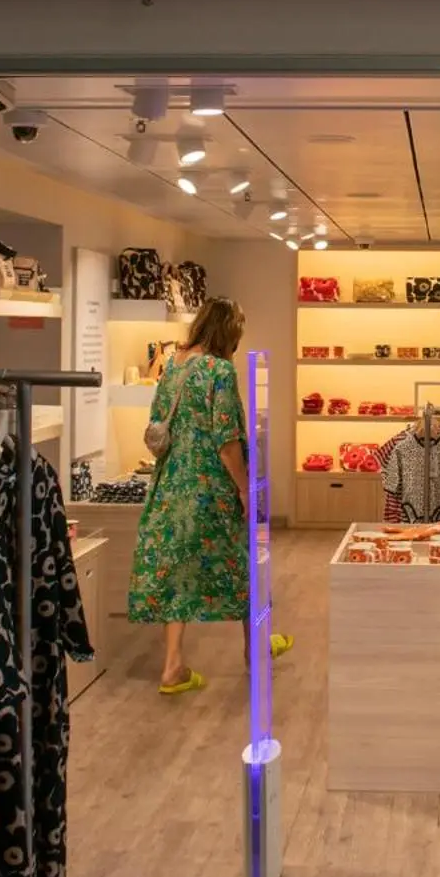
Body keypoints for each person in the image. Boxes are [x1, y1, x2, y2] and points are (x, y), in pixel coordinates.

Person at [128, 296, 292, 693]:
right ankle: (256, 649)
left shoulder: (174, 366)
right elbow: (226, 441)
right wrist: (244, 488)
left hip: (171, 484)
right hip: (210, 486)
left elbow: (157, 423)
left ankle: (172, 667)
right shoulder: (219, 371)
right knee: (245, 561)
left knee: (175, 571)